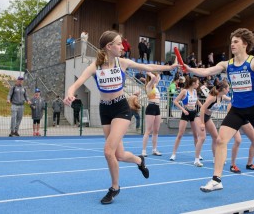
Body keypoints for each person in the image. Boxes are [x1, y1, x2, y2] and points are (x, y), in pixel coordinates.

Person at [63, 30, 177, 204]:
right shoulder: (96, 66)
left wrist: (169, 67)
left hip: (121, 108)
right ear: (109, 47)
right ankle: (140, 160)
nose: (122, 47)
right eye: (118, 44)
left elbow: (149, 68)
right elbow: (76, 85)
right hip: (105, 110)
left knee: (108, 152)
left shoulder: (122, 63)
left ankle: (114, 188)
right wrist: (70, 94)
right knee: (120, 155)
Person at [183, 28, 254, 192]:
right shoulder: (227, 65)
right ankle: (216, 179)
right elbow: (206, 71)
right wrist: (190, 69)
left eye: (236, 42)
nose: (232, 44)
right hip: (236, 109)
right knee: (220, 140)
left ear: (245, 44)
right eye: (231, 41)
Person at [195, 80, 230, 167]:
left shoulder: (222, 97)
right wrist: (202, 123)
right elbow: (202, 109)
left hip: (208, 117)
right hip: (200, 117)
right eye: (228, 88)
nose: (229, 90)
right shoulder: (213, 97)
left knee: (215, 137)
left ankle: (215, 158)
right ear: (224, 89)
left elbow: (232, 99)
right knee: (202, 138)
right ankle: (196, 159)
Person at [170, 76, 202, 161]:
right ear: (193, 83)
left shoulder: (195, 91)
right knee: (180, 134)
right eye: (197, 83)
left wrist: (203, 107)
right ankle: (173, 153)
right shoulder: (184, 91)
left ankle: (197, 154)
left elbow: (197, 101)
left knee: (196, 135)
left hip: (194, 113)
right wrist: (183, 110)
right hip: (186, 113)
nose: (198, 85)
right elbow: (175, 101)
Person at [142, 72, 163, 157]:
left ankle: (154, 149)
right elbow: (154, 77)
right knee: (148, 130)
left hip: (157, 108)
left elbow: (158, 77)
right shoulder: (148, 86)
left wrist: (158, 71)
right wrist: (149, 72)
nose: (157, 78)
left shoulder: (155, 86)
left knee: (156, 131)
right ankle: (143, 150)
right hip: (151, 107)